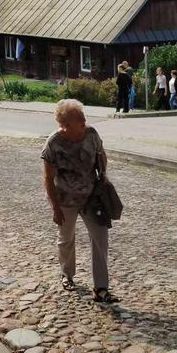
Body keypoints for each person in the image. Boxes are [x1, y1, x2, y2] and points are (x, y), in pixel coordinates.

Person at [41, 99, 117, 304]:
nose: (84, 120)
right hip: (65, 199)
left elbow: (102, 154)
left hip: (92, 197)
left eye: (83, 116)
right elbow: (48, 178)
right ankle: (67, 275)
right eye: (78, 119)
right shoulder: (54, 143)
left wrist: (102, 175)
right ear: (65, 125)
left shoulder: (91, 134)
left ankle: (101, 288)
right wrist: (55, 208)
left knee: (100, 239)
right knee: (66, 238)